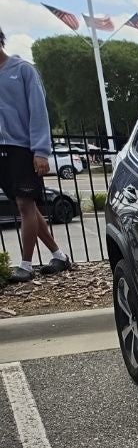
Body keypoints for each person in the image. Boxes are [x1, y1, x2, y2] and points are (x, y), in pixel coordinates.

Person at [0, 26, 69, 283]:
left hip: (23, 149)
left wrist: (41, 151)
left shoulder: (23, 70)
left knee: (25, 205)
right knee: (26, 205)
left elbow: (39, 111)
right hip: (1, 150)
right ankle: (59, 255)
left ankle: (26, 266)